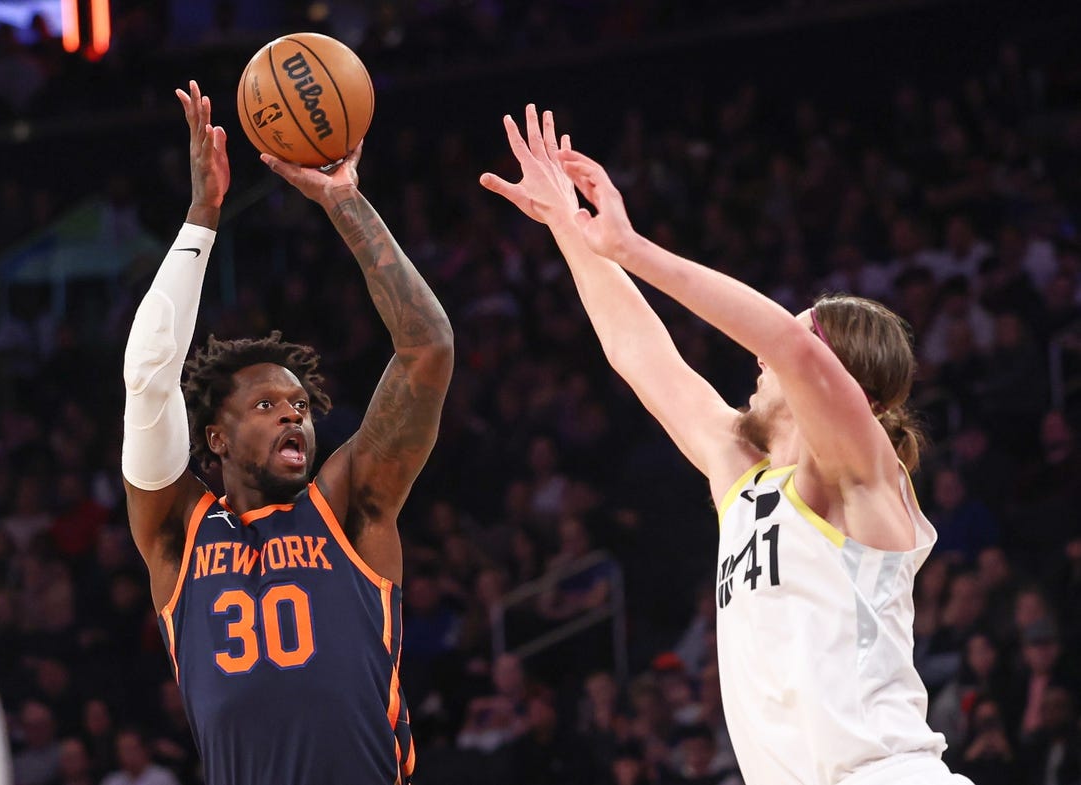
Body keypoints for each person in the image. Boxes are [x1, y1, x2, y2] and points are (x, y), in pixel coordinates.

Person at [480, 105, 972, 784]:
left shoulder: (865, 476)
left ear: (851, 386)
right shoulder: (740, 473)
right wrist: (569, 224)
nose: (761, 357)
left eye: (789, 338)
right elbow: (637, 352)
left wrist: (630, 247)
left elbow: (788, 345)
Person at [121, 81, 453, 785]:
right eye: (269, 405)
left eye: (299, 403)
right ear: (214, 438)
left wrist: (343, 200)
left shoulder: (349, 504)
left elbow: (428, 347)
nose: (295, 414)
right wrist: (202, 216)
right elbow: (149, 374)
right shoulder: (176, 533)